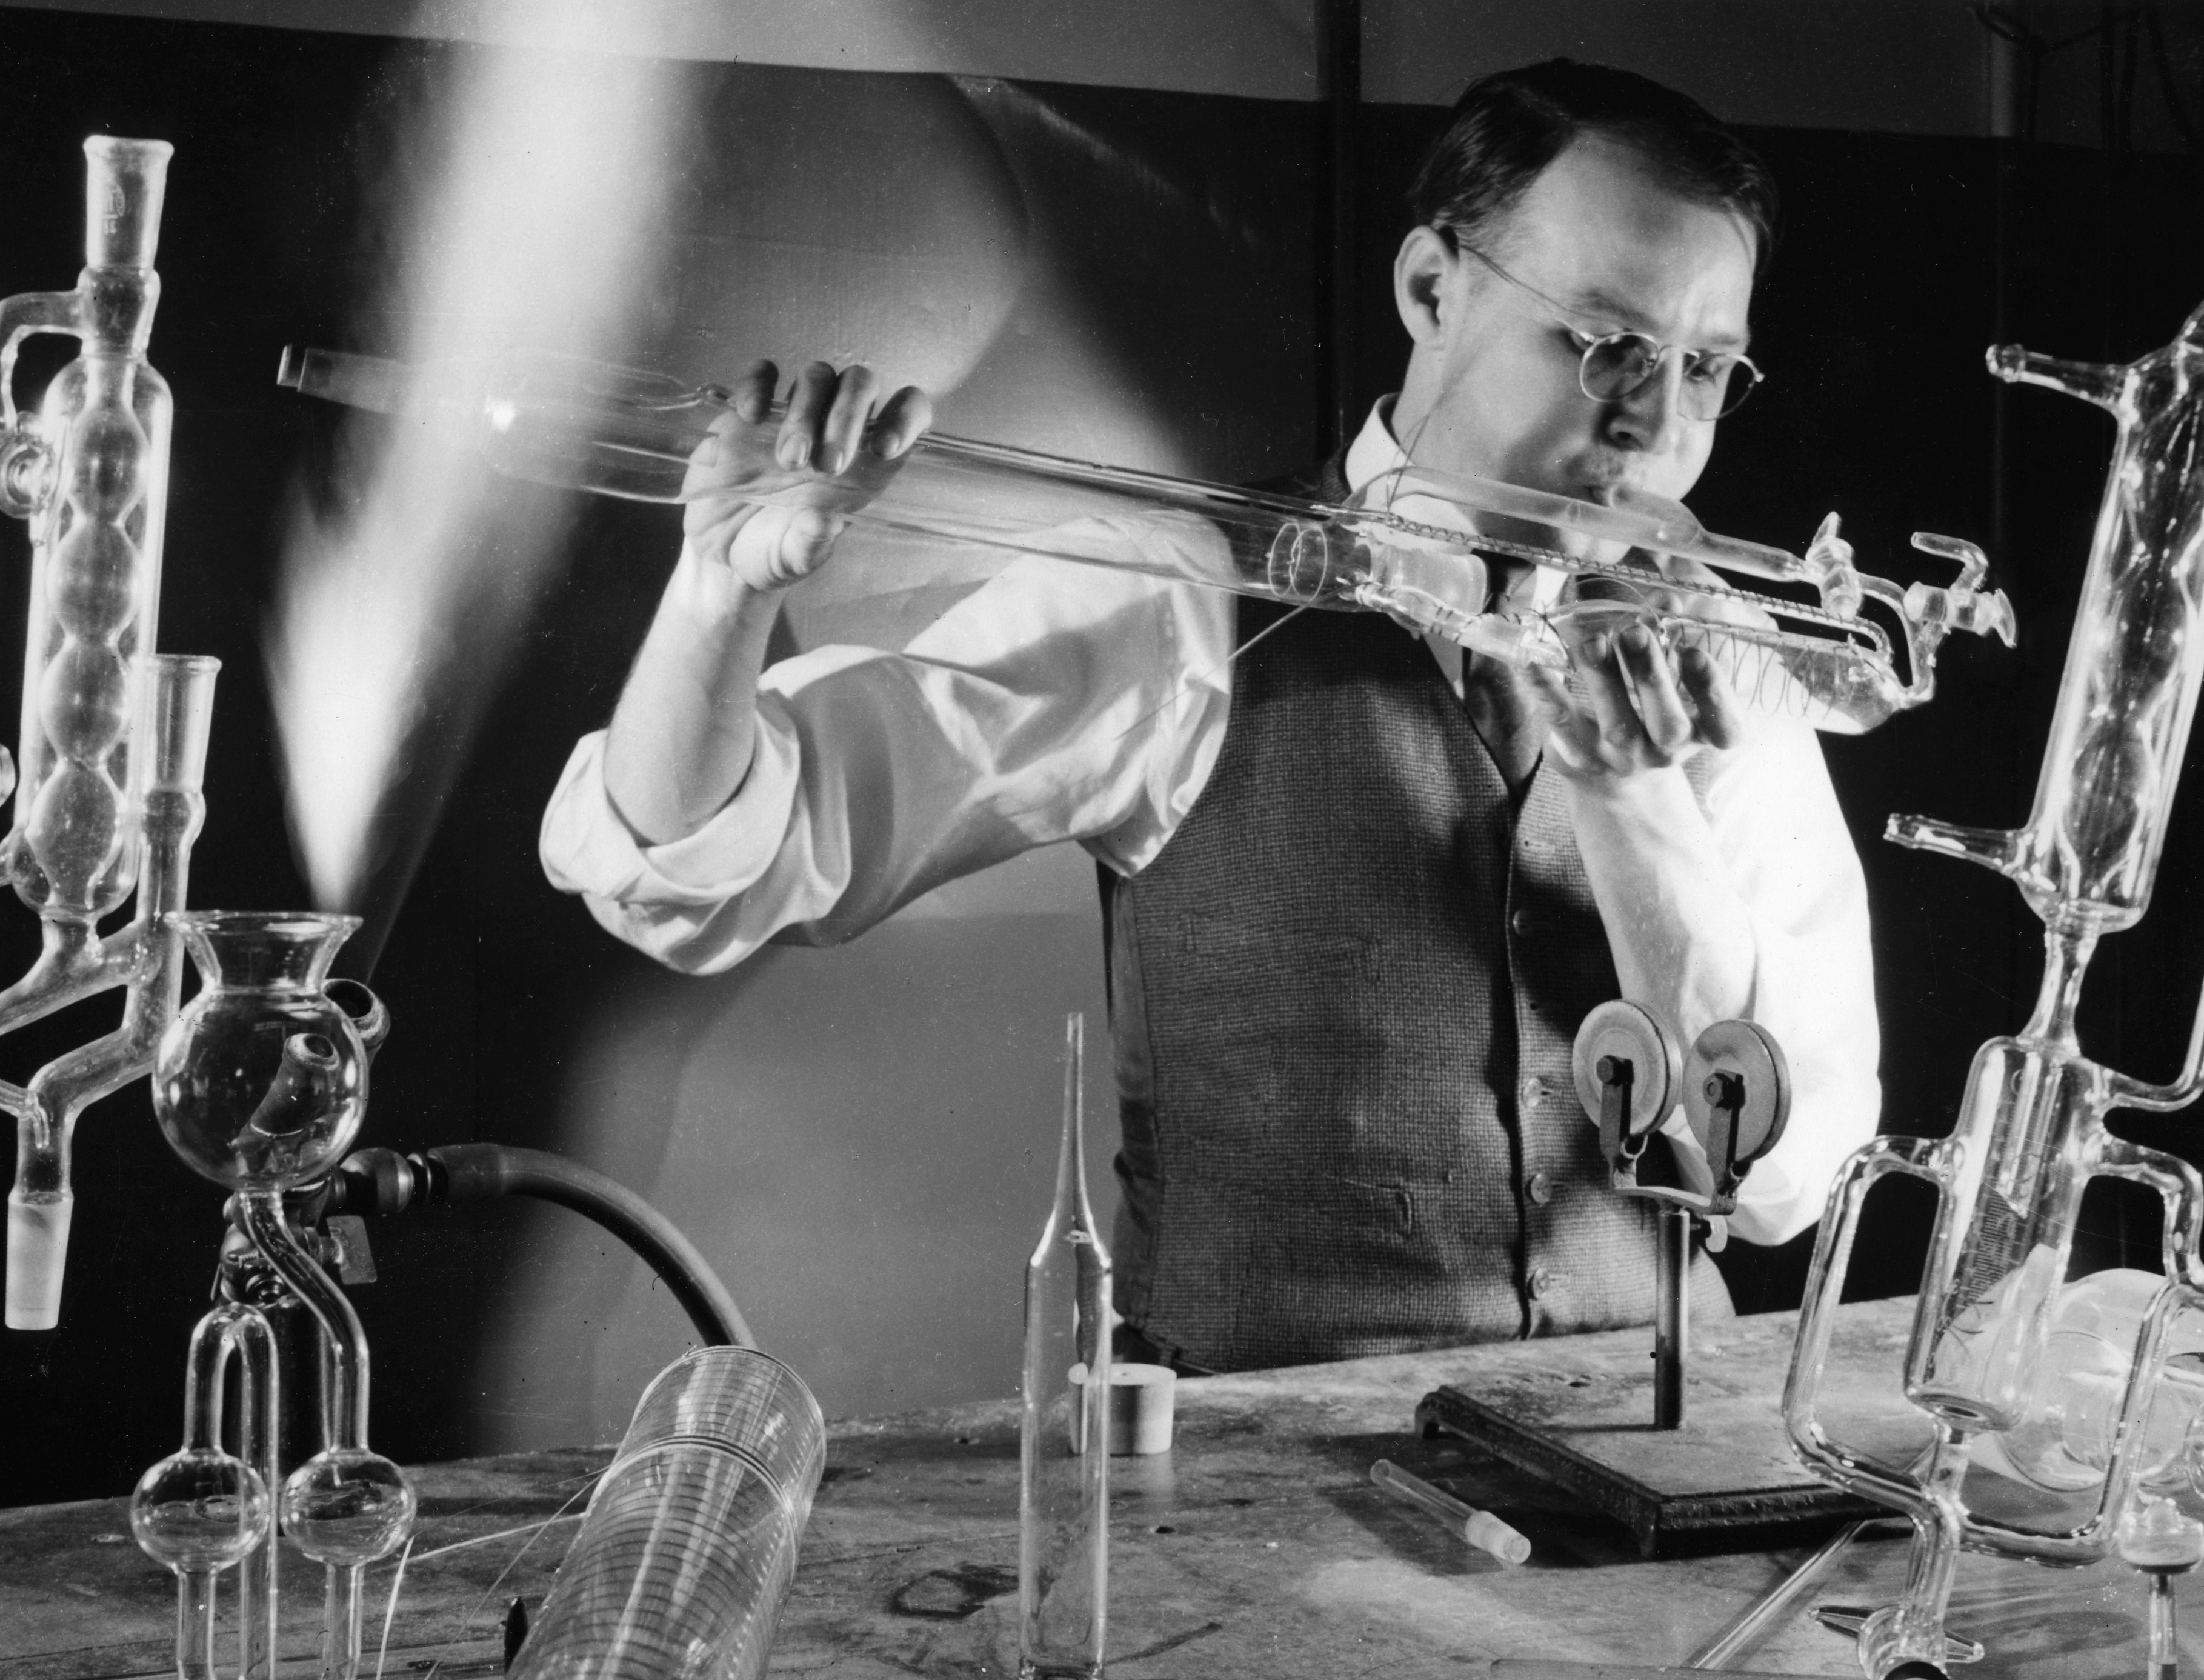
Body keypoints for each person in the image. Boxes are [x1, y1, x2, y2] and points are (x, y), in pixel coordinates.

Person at [539, 61, 1880, 1373]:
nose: (1654, 428)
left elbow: (1779, 1176)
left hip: (1662, 1436)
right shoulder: (1184, 596)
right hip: (1264, 1485)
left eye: (1707, 370)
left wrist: (1636, 799)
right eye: (1607, 346)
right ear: (1430, 286)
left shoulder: (1715, 653)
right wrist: (716, 598)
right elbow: (708, 865)